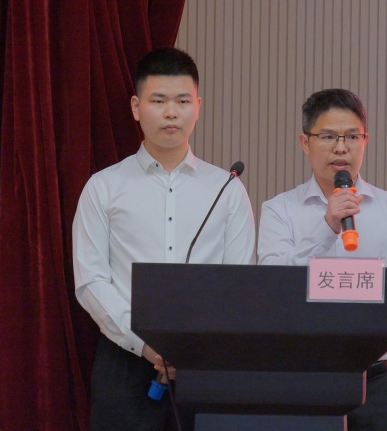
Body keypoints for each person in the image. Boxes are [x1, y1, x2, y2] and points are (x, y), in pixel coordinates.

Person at [72, 47, 256, 430]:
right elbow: (91, 281)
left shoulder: (227, 189)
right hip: (125, 361)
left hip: (206, 363)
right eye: (158, 101)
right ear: (136, 107)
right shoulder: (103, 187)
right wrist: (143, 343)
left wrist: (193, 343)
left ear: (198, 107)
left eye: (182, 101)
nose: (171, 112)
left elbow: (237, 281)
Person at [257, 88, 387, 431]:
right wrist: (326, 226)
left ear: (365, 141)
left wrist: (365, 343)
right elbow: (273, 287)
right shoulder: (279, 211)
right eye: (328, 137)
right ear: (305, 142)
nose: (341, 148)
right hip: (300, 380)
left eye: (352, 137)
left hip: (375, 382)